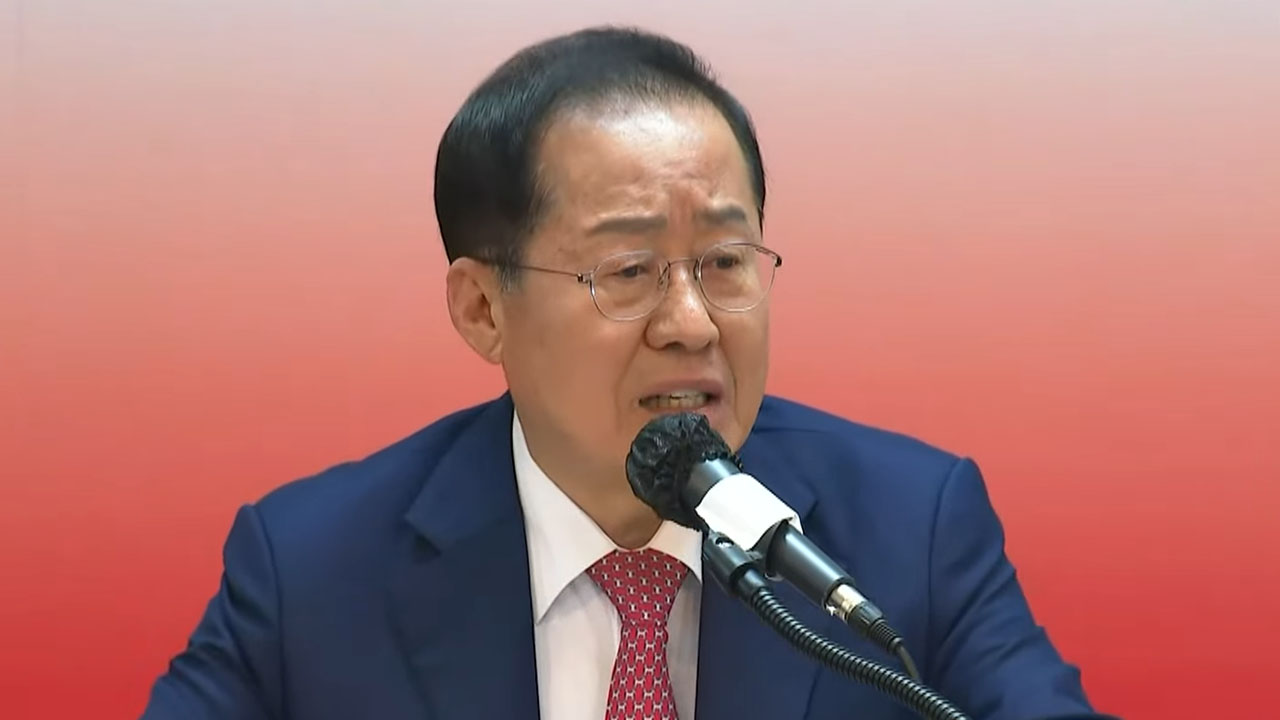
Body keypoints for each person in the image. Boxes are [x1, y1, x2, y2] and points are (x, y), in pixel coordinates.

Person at [140, 25, 1109, 720]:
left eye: (725, 262)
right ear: (482, 310)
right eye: (629, 272)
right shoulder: (310, 571)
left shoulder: (910, 528)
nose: (691, 323)